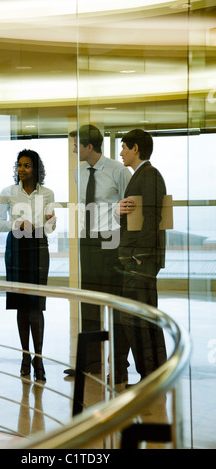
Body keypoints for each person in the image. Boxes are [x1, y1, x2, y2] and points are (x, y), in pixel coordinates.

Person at [65, 125, 132, 378]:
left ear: (89, 146)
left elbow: (129, 208)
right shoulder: (79, 171)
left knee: (114, 303)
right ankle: (91, 364)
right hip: (88, 240)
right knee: (89, 303)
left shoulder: (118, 171)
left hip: (111, 241)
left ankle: (118, 367)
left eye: (76, 145)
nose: (73, 149)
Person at [0, 149, 55, 382]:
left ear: (36, 169)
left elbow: (49, 228)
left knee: (36, 305)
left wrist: (51, 222)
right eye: (19, 165)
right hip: (17, 248)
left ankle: (38, 358)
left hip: (39, 245)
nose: (21, 169)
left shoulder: (47, 193)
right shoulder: (7, 192)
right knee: (21, 305)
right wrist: (17, 223)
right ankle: (25, 356)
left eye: (27, 166)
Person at [117, 128, 167, 383]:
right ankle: (154, 372)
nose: (121, 152)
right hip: (137, 258)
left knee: (138, 318)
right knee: (143, 315)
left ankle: (150, 373)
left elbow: (153, 218)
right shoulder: (141, 175)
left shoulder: (149, 175)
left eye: (124, 147)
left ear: (136, 148)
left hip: (140, 260)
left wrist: (139, 255)